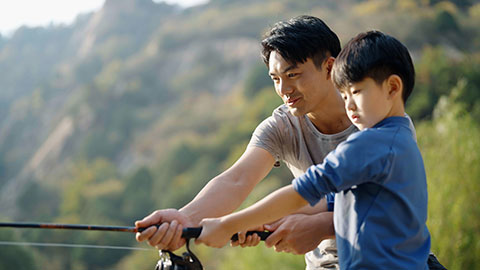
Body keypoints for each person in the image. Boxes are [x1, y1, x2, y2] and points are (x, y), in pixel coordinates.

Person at [196, 30, 431, 270]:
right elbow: (332, 201)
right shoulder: (400, 138)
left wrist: (227, 225)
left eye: (356, 92)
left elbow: (303, 192)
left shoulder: (370, 144)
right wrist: (266, 221)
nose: (349, 104)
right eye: (344, 94)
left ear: (392, 87)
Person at [136, 15, 353, 269]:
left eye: (293, 74)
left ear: (329, 67)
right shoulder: (281, 126)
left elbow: (395, 202)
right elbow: (236, 180)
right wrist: (186, 219)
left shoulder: (373, 115)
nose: (284, 89)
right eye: (275, 79)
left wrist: (322, 225)